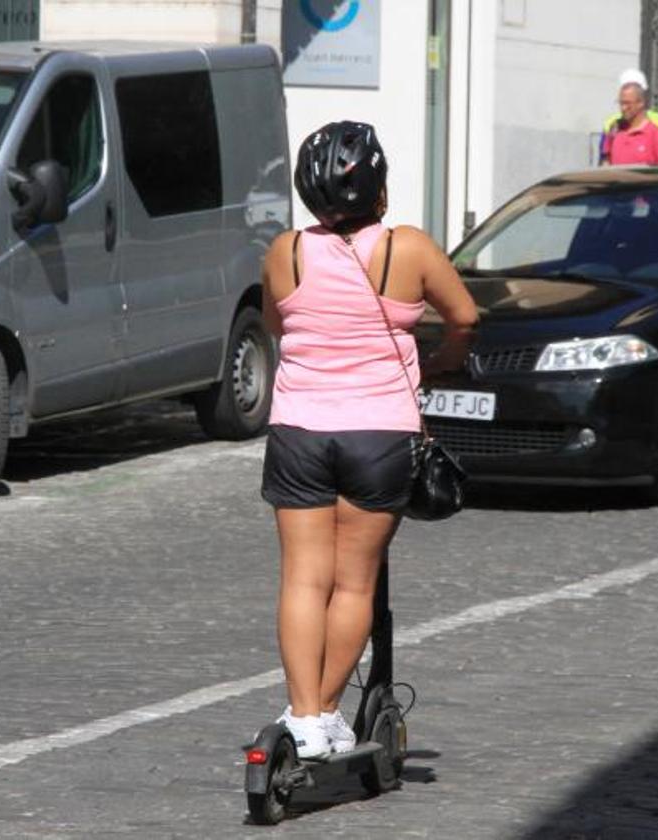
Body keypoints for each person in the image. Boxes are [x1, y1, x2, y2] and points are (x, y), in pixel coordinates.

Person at [260, 121, 477, 758]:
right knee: (354, 584)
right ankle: (328, 713)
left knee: (303, 579)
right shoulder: (407, 249)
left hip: (300, 429)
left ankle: (301, 716)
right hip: (380, 433)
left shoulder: (286, 250)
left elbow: (278, 322)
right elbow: (464, 316)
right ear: (379, 188)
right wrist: (437, 360)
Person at [600, 68, 658, 166]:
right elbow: (605, 162)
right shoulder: (614, 128)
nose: (623, 108)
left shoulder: (656, 132)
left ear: (641, 102)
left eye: (627, 103)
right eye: (620, 103)